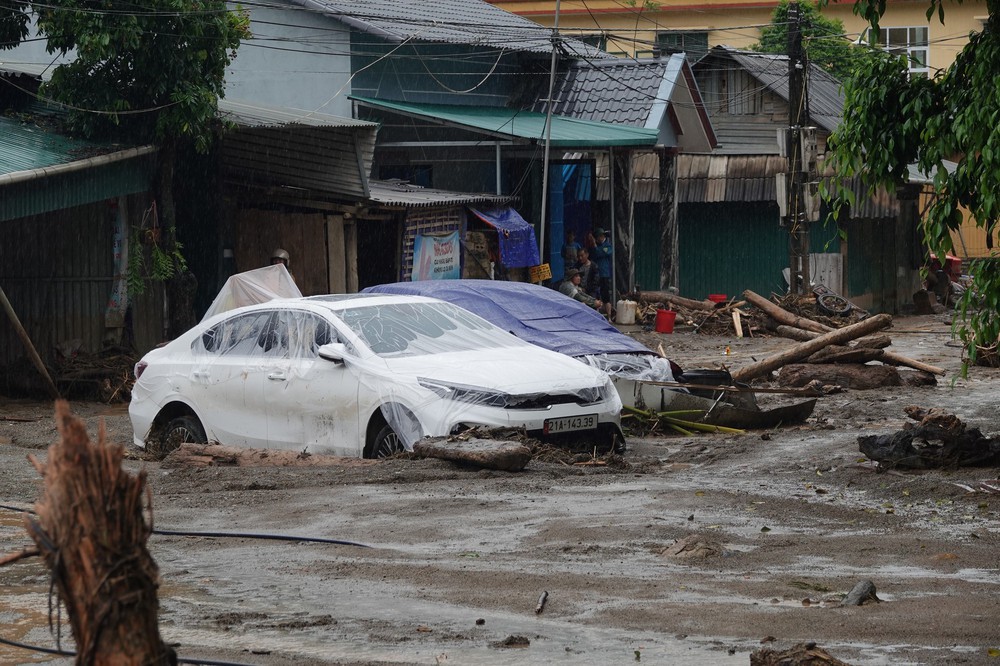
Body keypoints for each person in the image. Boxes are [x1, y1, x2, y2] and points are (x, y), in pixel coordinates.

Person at [576, 248, 610, 316]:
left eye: (582, 256)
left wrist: (586, 289)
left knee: (592, 306)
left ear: (587, 255)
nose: (580, 258)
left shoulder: (593, 266)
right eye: (579, 256)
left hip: (591, 291)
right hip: (580, 291)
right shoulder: (577, 266)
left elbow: (596, 281)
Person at [591, 227, 613, 304]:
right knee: (595, 292)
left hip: (604, 273)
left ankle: (609, 313)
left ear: (601, 236)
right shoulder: (596, 246)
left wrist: (595, 246)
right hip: (596, 273)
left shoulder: (607, 245)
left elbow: (599, 253)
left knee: (605, 294)